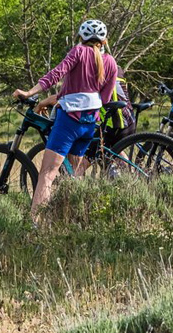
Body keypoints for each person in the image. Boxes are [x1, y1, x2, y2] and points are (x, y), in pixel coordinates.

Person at [13, 19, 117, 212]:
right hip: (89, 124)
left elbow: (55, 74)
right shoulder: (110, 62)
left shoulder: (78, 51)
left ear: (80, 37)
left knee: (48, 174)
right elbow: (105, 97)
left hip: (69, 120)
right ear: (104, 41)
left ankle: (35, 223)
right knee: (73, 176)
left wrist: (29, 93)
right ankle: (70, 220)